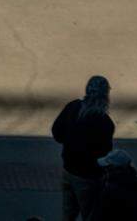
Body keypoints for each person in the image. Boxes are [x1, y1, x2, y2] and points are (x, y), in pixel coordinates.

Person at [52, 75, 115, 221]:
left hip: (68, 170)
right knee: (91, 216)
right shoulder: (105, 122)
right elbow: (105, 155)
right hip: (89, 178)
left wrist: (71, 141)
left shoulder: (73, 106)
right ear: (106, 95)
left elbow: (57, 134)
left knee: (67, 215)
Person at [92, 150, 137, 221]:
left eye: (107, 167)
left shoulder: (110, 191)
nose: (105, 170)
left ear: (116, 169)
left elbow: (99, 216)